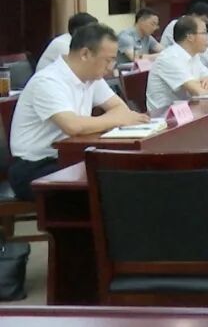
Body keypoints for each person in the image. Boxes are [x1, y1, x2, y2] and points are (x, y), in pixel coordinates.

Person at [8, 23, 148, 201]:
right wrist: (117, 120)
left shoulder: (92, 77)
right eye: (108, 60)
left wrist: (113, 119)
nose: (111, 66)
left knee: (127, 173)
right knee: (108, 183)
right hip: (34, 167)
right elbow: (72, 126)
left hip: (70, 157)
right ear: (85, 54)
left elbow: (121, 109)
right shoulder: (48, 81)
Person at [145, 16, 208, 111]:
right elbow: (198, 92)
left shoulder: (194, 56)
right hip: (166, 116)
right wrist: (206, 85)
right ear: (190, 37)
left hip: (189, 110)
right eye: (204, 33)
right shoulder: (170, 58)